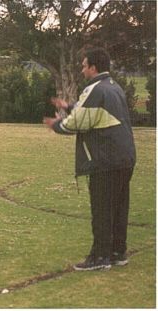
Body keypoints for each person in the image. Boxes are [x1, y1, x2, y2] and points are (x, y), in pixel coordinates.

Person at [43, 47, 136, 271]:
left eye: (84, 65)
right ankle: (117, 253)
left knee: (102, 209)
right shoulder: (113, 87)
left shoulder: (94, 89)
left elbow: (78, 123)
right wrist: (69, 106)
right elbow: (95, 112)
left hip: (106, 160)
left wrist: (56, 125)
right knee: (118, 208)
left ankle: (100, 257)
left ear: (93, 67)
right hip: (125, 158)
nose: (82, 69)